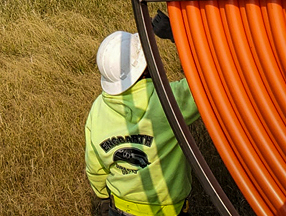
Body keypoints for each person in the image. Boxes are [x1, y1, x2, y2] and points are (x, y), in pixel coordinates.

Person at [85, 26, 200, 216]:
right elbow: (208, 81)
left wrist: (103, 196)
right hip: (169, 210)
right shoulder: (169, 100)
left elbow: (95, 164)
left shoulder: (98, 107)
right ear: (146, 65)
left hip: (120, 207)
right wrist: (180, 38)